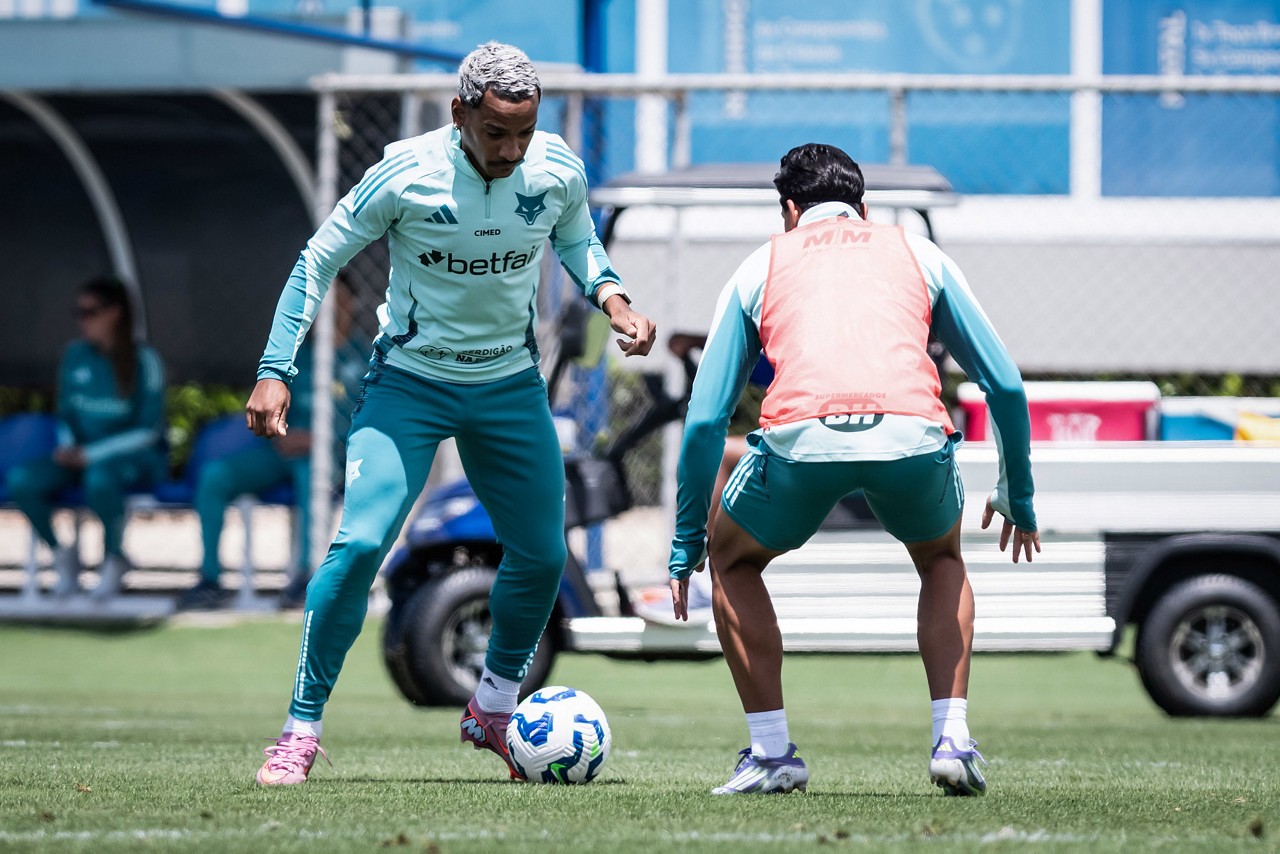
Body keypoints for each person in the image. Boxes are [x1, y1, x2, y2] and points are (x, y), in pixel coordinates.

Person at [246, 42, 655, 786]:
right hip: (410, 384)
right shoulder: (406, 172)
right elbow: (317, 260)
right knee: (358, 546)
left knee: (542, 555)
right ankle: (300, 730)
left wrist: (614, 299)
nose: (512, 150)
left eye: (524, 133)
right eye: (496, 132)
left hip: (508, 388)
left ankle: (493, 705)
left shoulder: (556, 168)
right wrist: (276, 368)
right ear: (459, 111)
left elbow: (578, 240)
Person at [666, 143, 1040, 797]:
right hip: (911, 436)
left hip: (801, 443)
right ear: (862, 207)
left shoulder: (759, 264)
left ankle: (772, 754)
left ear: (789, 210)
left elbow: (704, 422)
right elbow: (1005, 386)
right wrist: (1019, 495)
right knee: (940, 559)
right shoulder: (920, 253)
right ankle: (952, 741)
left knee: (731, 560)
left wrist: (683, 544)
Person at [177, 275, 367, 611]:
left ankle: (307, 577)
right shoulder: (296, 353)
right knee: (214, 476)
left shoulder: (363, 356)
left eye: (337, 298)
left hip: (334, 457)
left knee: (310, 474)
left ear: (351, 302)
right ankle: (210, 580)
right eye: (322, 298)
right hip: (281, 450)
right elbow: (271, 400)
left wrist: (319, 439)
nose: (328, 306)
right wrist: (278, 429)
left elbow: (370, 420)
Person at [6, 276, 166, 599]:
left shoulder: (145, 361)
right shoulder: (74, 355)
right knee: (21, 481)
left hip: (130, 460)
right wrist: (68, 446)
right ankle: (61, 556)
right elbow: (65, 413)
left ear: (115, 313)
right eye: (77, 312)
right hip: (78, 456)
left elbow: (149, 430)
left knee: (99, 479)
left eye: (90, 312)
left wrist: (92, 455)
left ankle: (113, 559)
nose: (82, 320)